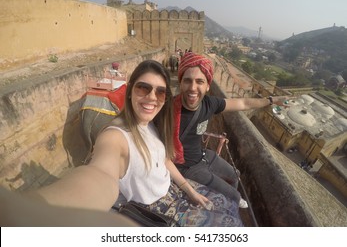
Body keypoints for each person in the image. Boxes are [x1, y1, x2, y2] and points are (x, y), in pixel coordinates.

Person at [9, 60, 242, 227]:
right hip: (152, 212)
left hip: (173, 191)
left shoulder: (149, 123)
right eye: (144, 88)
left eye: (160, 93)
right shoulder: (115, 136)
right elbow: (99, 175)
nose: (152, 97)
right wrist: (39, 212)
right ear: (130, 91)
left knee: (229, 208)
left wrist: (189, 190)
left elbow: (165, 160)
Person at [173, 52, 291, 209]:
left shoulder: (209, 104)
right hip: (187, 167)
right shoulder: (169, 111)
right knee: (235, 196)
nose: (193, 88)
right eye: (187, 81)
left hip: (203, 155)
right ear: (180, 82)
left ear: (208, 86)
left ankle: (227, 200)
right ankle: (231, 202)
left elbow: (243, 103)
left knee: (235, 175)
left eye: (199, 81)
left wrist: (271, 100)